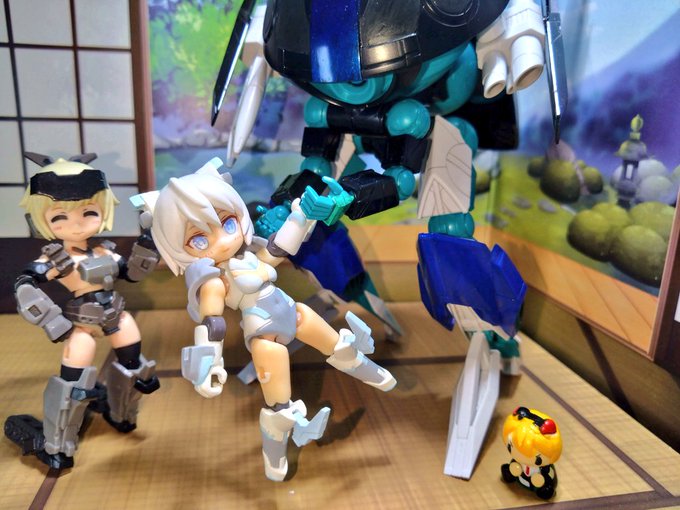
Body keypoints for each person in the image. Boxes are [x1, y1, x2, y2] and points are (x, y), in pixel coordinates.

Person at [146, 157, 396, 481]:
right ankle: (275, 455)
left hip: (293, 311)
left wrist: (300, 217)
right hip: (264, 335)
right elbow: (212, 322)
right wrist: (207, 363)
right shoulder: (213, 281)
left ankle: (371, 371)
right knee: (279, 404)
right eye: (199, 240)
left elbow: (277, 250)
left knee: (338, 345)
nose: (223, 240)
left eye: (228, 223)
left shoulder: (249, 257)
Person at [6, 152, 160, 470]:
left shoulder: (104, 251)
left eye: (88, 212)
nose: (76, 225)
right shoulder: (54, 259)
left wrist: (148, 243)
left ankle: (122, 413)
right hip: (82, 324)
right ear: (41, 220)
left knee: (135, 365)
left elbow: (131, 273)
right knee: (74, 383)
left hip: (116, 315)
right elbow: (25, 285)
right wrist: (52, 320)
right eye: (59, 217)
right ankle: (56, 445)